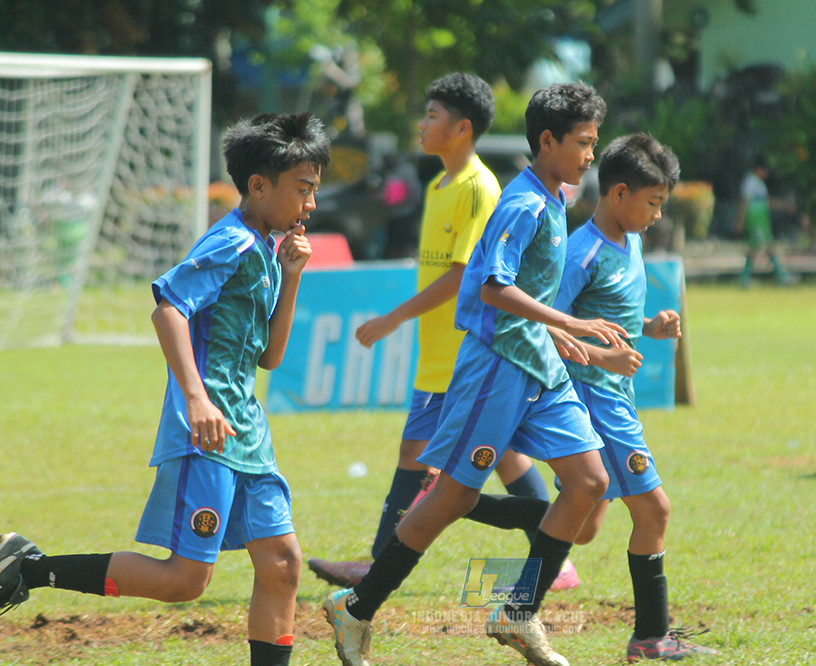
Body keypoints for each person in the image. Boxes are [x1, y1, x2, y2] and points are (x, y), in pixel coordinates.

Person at [0, 112, 331, 666]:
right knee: (184, 580)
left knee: (282, 565)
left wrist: (292, 275)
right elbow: (168, 310)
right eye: (303, 189)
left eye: (314, 190)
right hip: (208, 434)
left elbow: (269, 358)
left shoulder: (267, 251)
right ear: (258, 185)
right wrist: (197, 400)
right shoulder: (230, 242)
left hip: (247, 432)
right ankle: (29, 569)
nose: (311, 204)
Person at [322, 82, 627, 666]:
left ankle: (517, 612)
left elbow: (526, 290)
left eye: (594, 143)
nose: (591, 155)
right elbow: (492, 287)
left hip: (538, 364)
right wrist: (567, 321)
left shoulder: (554, 199)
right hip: (496, 369)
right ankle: (356, 607)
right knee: (453, 496)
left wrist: (555, 332)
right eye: (584, 143)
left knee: (590, 481)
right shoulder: (523, 202)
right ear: (548, 141)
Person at [306, 72, 577, 593]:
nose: (422, 124)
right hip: (439, 352)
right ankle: (557, 559)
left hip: (464, 354)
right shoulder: (439, 185)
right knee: (501, 455)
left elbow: (463, 275)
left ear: (462, 128)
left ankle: (377, 564)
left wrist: (394, 318)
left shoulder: (480, 188)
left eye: (432, 115)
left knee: (421, 454)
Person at [464, 133, 719, 662]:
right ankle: (650, 636)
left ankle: (462, 504)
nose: (657, 215)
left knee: (581, 528)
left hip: (614, 395)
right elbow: (550, 326)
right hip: (594, 400)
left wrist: (648, 326)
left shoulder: (632, 239)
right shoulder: (582, 251)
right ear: (619, 193)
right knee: (654, 510)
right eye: (652, 202)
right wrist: (602, 359)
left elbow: (607, 318)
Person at [734, 154, 796, 287]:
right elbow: (745, 202)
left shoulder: (759, 183)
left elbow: (767, 201)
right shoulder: (750, 181)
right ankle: (748, 279)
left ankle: (777, 275)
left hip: (761, 219)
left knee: (764, 246)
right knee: (760, 247)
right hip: (755, 219)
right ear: (758, 168)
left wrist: (784, 206)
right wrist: (740, 221)